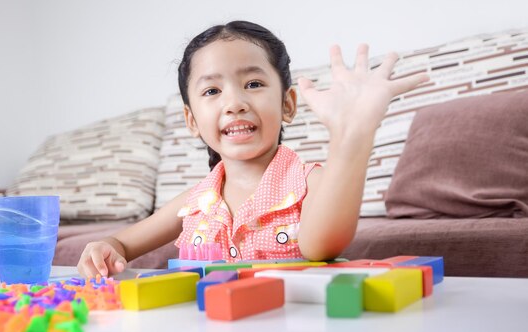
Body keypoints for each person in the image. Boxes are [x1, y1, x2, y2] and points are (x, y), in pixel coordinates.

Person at [77, 20, 428, 278]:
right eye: (212, 91)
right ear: (192, 120)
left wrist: (351, 136)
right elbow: (120, 244)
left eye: (254, 83)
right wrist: (104, 249)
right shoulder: (195, 202)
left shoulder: (311, 182)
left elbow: (322, 245)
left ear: (288, 104)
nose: (235, 102)